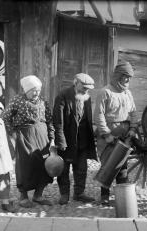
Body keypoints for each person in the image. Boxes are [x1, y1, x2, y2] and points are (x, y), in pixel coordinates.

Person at [2, 75, 55, 208]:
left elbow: (49, 120)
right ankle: (23, 196)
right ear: (26, 90)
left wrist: (52, 138)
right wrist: (13, 133)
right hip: (25, 136)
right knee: (26, 165)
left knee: (44, 164)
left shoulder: (42, 101)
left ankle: (38, 195)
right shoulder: (17, 100)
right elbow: (6, 117)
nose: (37, 93)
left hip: (42, 137)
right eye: (33, 90)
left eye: (38, 90)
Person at [94, 61, 137, 205]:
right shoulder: (105, 92)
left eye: (130, 77)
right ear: (118, 76)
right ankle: (104, 195)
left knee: (122, 165)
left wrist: (132, 129)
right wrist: (106, 134)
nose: (128, 80)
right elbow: (99, 115)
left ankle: (122, 196)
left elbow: (134, 114)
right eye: (126, 76)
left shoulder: (128, 93)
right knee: (108, 165)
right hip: (109, 136)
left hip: (124, 135)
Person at [53, 73, 97, 205]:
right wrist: (60, 140)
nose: (86, 91)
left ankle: (79, 193)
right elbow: (58, 121)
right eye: (84, 87)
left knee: (81, 168)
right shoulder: (63, 96)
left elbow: (88, 118)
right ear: (76, 83)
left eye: (88, 89)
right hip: (67, 139)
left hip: (82, 139)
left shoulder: (86, 97)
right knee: (64, 169)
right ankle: (64, 194)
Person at [0, 100, 15, 212]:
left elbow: (6, 139)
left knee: (4, 180)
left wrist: (12, 153)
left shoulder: (1, 122)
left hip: (3, 158)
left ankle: (5, 201)